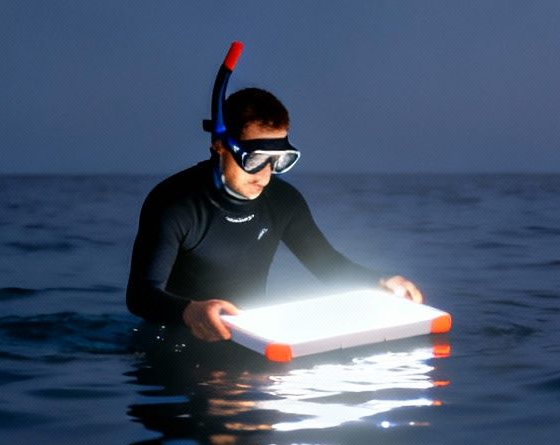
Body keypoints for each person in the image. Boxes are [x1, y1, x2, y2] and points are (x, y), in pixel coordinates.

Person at [126, 87, 421, 343]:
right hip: (175, 340)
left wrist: (379, 282)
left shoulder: (283, 201)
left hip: (250, 340)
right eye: (254, 159)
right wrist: (189, 311)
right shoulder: (174, 203)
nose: (265, 176)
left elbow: (326, 264)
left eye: (277, 161)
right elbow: (140, 295)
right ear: (220, 146)